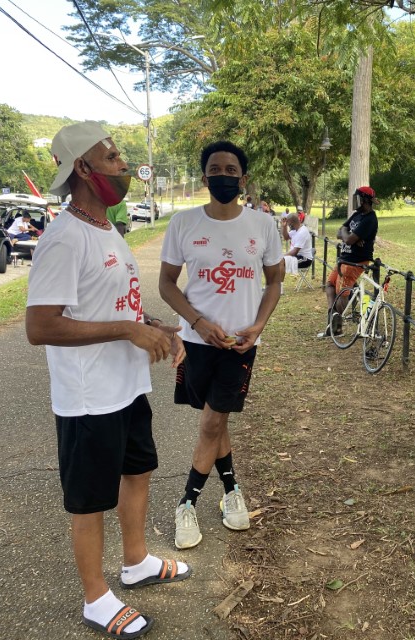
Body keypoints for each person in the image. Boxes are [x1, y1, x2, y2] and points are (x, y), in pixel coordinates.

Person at [25, 121, 189, 638]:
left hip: (127, 386)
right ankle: (96, 596)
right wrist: (125, 329)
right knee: (90, 498)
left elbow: (114, 303)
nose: (123, 164)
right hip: (88, 397)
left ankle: (136, 561)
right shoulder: (63, 238)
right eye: (113, 155)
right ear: (83, 168)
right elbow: (40, 326)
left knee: (137, 472)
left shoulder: (107, 228)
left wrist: (150, 327)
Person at [159, 141, 284, 550]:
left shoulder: (263, 226)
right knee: (218, 418)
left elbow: (275, 282)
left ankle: (187, 503)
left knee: (212, 421)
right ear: (204, 177)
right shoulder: (183, 223)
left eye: (232, 169)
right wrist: (196, 322)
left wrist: (259, 325)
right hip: (196, 343)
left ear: (243, 178)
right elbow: (166, 283)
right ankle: (230, 490)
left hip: (240, 345)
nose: (224, 175)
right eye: (216, 168)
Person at [318, 186, 379, 337]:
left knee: (342, 293)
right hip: (343, 260)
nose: (354, 201)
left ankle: (337, 328)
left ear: (364, 200)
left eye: (356, 197)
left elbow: (349, 239)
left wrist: (349, 236)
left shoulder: (370, 219)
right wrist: (349, 235)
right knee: (330, 285)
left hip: (355, 262)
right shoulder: (357, 214)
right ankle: (333, 317)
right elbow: (341, 231)